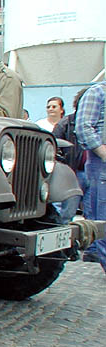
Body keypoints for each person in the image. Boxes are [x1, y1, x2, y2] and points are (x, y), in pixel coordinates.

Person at [74, 81, 106, 273]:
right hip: (101, 165)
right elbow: (84, 126)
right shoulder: (97, 92)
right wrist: (103, 152)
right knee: (101, 217)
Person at [52, 89, 88, 223]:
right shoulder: (66, 123)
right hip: (72, 173)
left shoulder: (99, 124)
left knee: (92, 213)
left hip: (92, 172)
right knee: (66, 214)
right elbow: (53, 146)